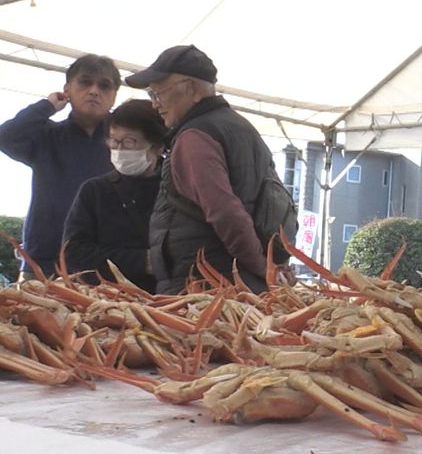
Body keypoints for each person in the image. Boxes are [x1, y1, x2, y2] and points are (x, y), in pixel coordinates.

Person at [125, 45, 287, 294]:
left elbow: (225, 212)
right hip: (242, 285)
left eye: (158, 94)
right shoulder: (244, 129)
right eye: (152, 95)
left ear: (191, 89)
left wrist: (262, 267)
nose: (155, 105)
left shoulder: (195, 137)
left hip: (205, 288)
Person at [0, 54, 118, 277]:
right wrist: (46, 106)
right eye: (85, 82)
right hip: (44, 264)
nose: (94, 90)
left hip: (106, 265)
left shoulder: (126, 143)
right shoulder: (46, 136)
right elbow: (5, 137)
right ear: (67, 89)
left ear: (113, 98)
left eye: (105, 86)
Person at [62, 100, 166, 291]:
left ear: (158, 146)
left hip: (167, 300)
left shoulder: (176, 190)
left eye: (129, 142)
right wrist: (142, 261)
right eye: (113, 141)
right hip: (106, 300)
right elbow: (73, 252)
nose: (119, 150)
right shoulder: (94, 191)